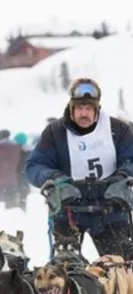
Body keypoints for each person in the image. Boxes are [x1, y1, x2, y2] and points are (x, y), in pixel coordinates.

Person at [26, 78, 133, 258]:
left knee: (120, 265)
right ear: (71, 108)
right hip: (69, 209)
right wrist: (55, 178)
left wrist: (123, 176)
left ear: (97, 109)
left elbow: (131, 158)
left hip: (110, 207)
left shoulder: (118, 129)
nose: (84, 113)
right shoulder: (55, 133)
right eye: (79, 108)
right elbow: (35, 165)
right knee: (65, 270)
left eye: (89, 108)